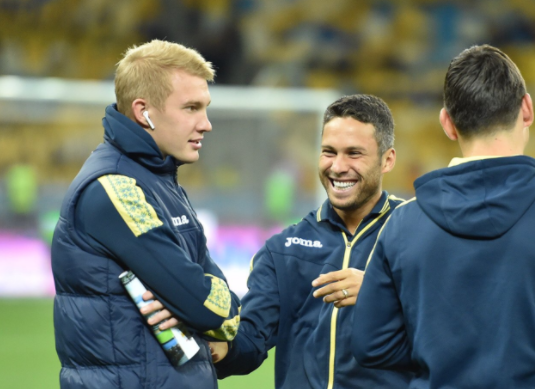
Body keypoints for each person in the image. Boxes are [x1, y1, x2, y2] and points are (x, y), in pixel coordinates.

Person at [351, 45, 535, 388]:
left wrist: (438, 348)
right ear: (527, 109)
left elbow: (370, 345)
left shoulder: (402, 224)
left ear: (447, 124)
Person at [51, 40, 241, 389]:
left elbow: (212, 298)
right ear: (143, 112)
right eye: (191, 108)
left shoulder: (159, 180)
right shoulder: (114, 188)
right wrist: (200, 308)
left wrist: (198, 305)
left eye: (205, 108)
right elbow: (209, 308)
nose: (206, 124)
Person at [211, 94, 414, 388]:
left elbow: (450, 324)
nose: (338, 166)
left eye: (354, 153)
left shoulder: (419, 232)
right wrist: (220, 347)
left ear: (387, 160)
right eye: (329, 152)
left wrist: (381, 292)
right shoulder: (283, 250)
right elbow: (251, 341)